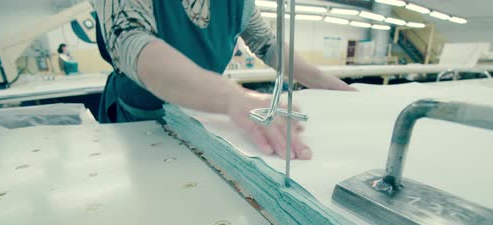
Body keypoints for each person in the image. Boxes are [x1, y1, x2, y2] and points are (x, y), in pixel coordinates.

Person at [94, 1, 356, 160]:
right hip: (138, 122)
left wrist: (325, 82)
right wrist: (236, 98)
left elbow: (267, 44)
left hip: (197, 119)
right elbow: (130, 40)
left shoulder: (238, 3)